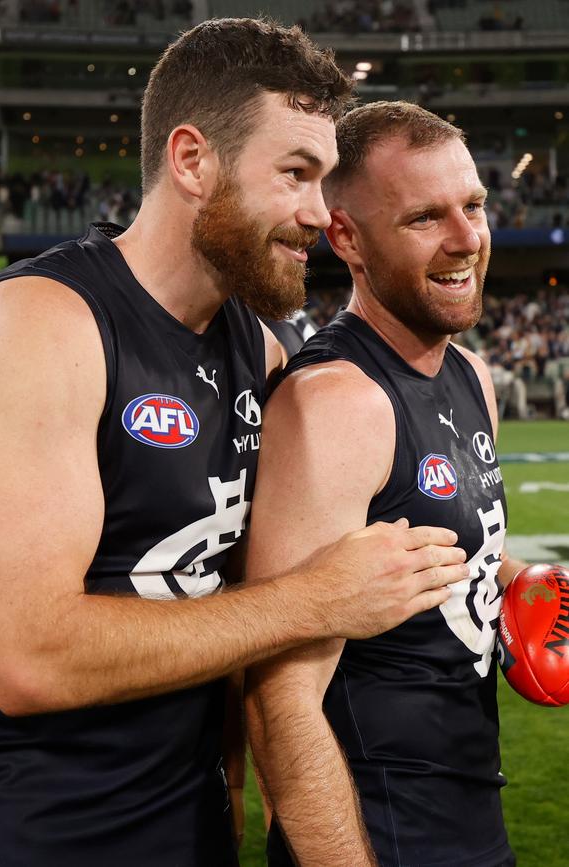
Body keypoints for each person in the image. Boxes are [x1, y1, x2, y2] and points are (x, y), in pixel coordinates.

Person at [0, 26, 467, 867]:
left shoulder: (263, 349)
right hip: (24, 837)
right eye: (296, 174)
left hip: (192, 829)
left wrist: (235, 782)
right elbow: (29, 658)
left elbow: (237, 596)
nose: (320, 215)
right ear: (191, 160)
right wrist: (314, 598)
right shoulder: (37, 323)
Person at [245, 101, 526, 867]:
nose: (468, 238)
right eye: (424, 218)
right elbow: (278, 693)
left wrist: (522, 584)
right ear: (346, 238)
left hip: (472, 817)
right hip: (381, 836)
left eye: (473, 205)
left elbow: (447, 548)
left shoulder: (469, 373)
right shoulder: (335, 402)